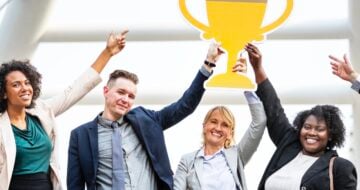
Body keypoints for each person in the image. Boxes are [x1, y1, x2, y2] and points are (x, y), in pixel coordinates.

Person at [66, 43, 224, 190]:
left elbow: (184, 106)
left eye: (131, 96)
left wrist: (208, 63)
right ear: (106, 92)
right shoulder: (80, 136)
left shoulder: (147, 120)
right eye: (121, 92)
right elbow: (75, 186)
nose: (125, 100)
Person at [0, 30, 128, 190]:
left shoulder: (43, 111)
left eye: (27, 82)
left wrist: (107, 53)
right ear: (4, 93)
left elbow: (74, 90)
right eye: (16, 85)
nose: (25, 88)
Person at [238, 43, 357, 190]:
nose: (311, 132)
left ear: (331, 135)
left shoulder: (339, 167)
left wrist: (355, 79)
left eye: (319, 129)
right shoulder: (288, 145)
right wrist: (257, 68)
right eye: (307, 127)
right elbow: (273, 108)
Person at [173, 88, 267, 190]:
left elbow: (259, 122)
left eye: (225, 125)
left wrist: (246, 86)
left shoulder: (237, 155)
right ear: (204, 126)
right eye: (214, 121)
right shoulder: (187, 161)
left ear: (230, 133)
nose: (218, 128)